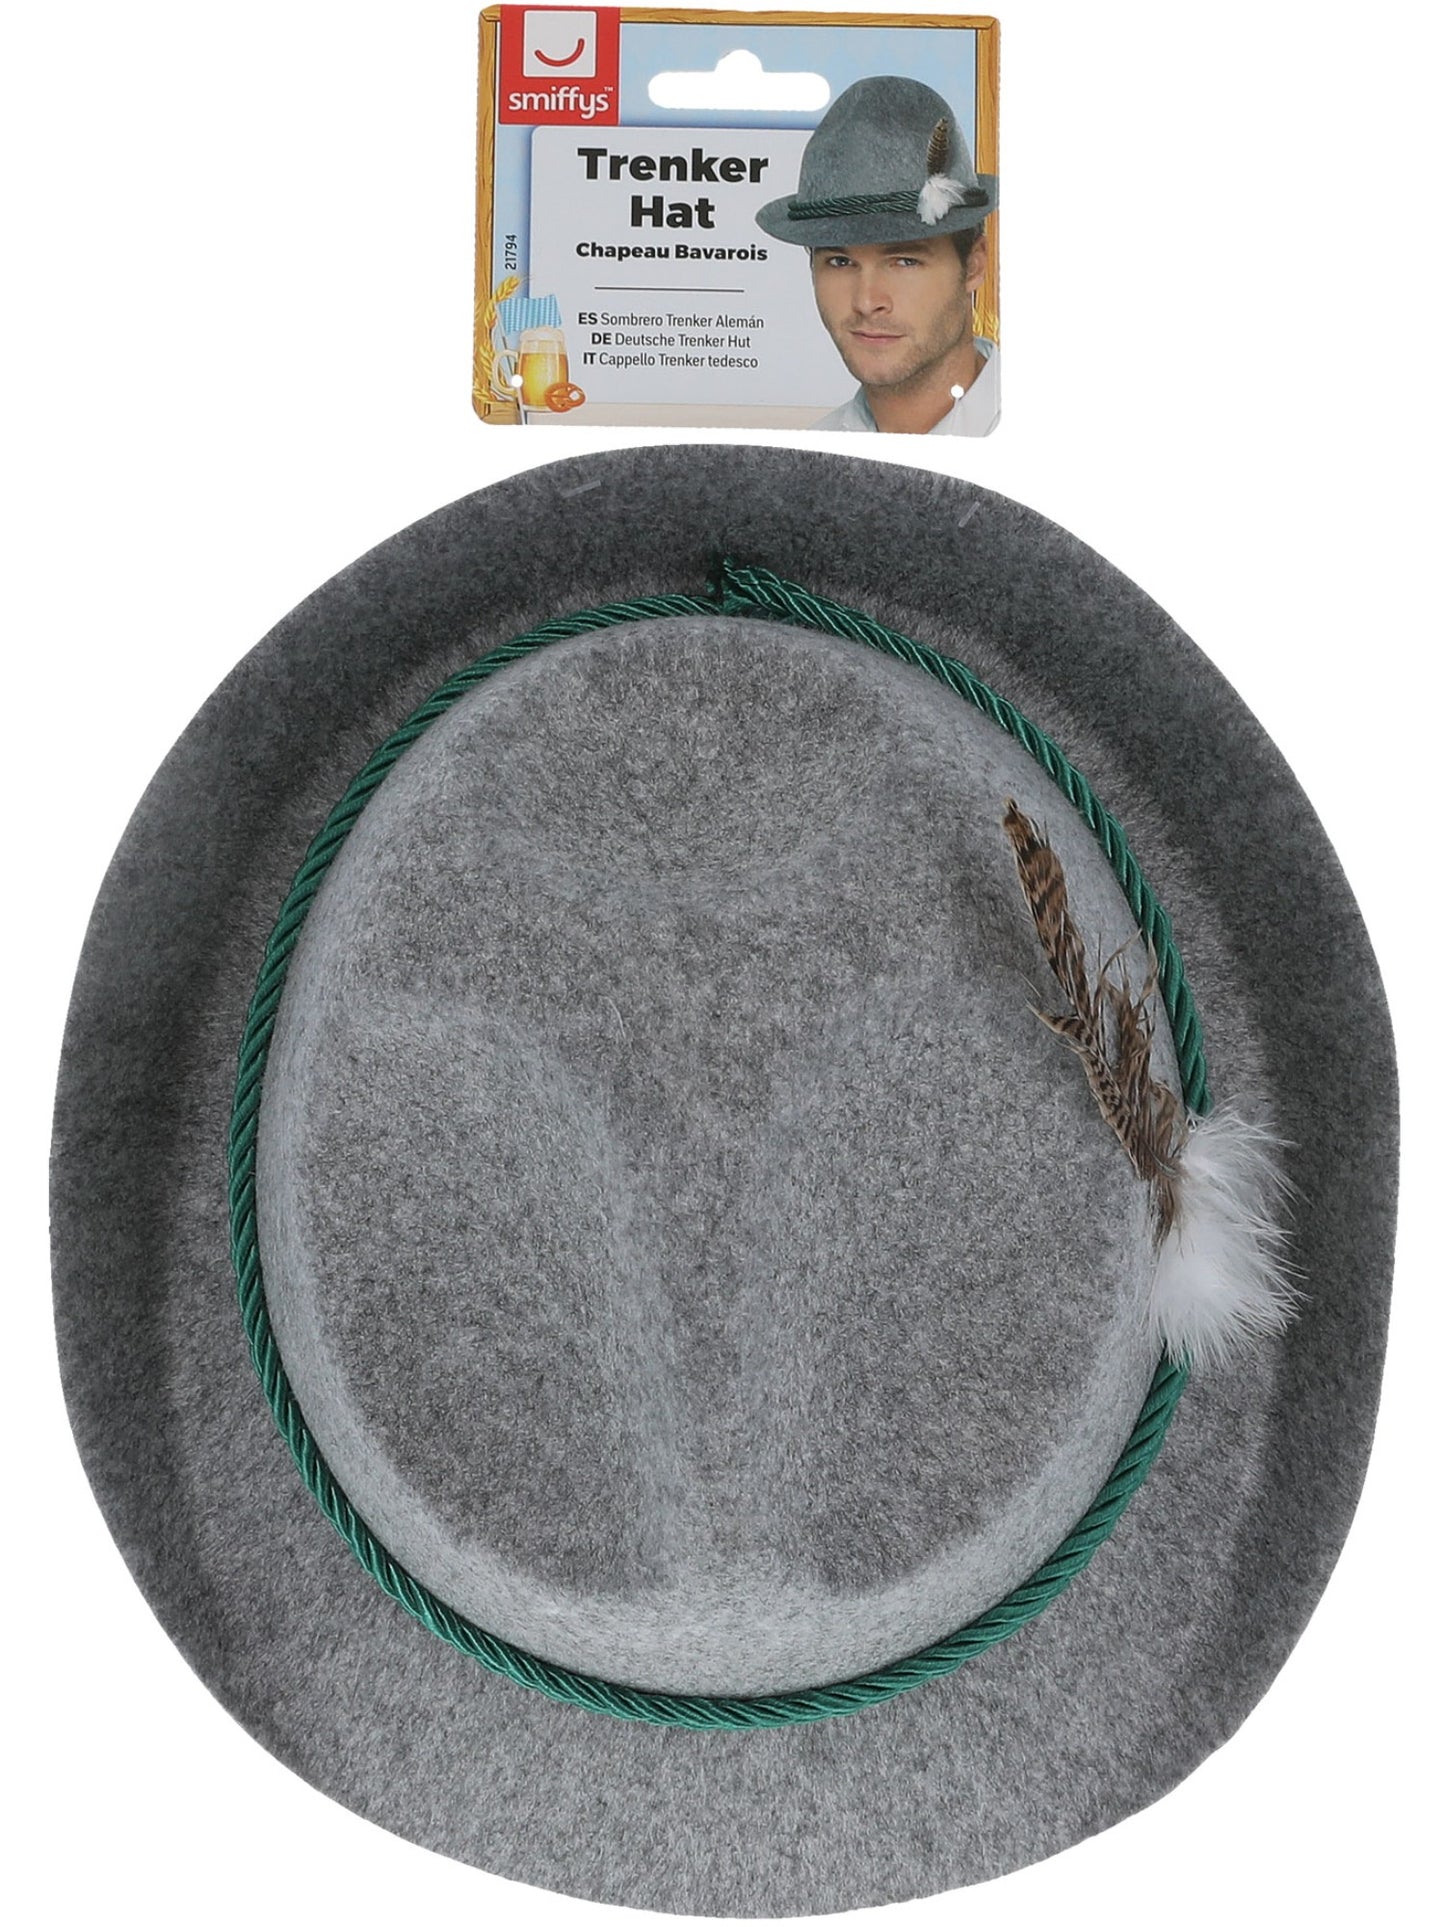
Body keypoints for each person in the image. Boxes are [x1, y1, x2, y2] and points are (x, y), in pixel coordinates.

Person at [755, 76, 999, 436]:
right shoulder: (808, 456)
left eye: (904, 261)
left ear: (974, 265)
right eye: (840, 261)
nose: (867, 302)